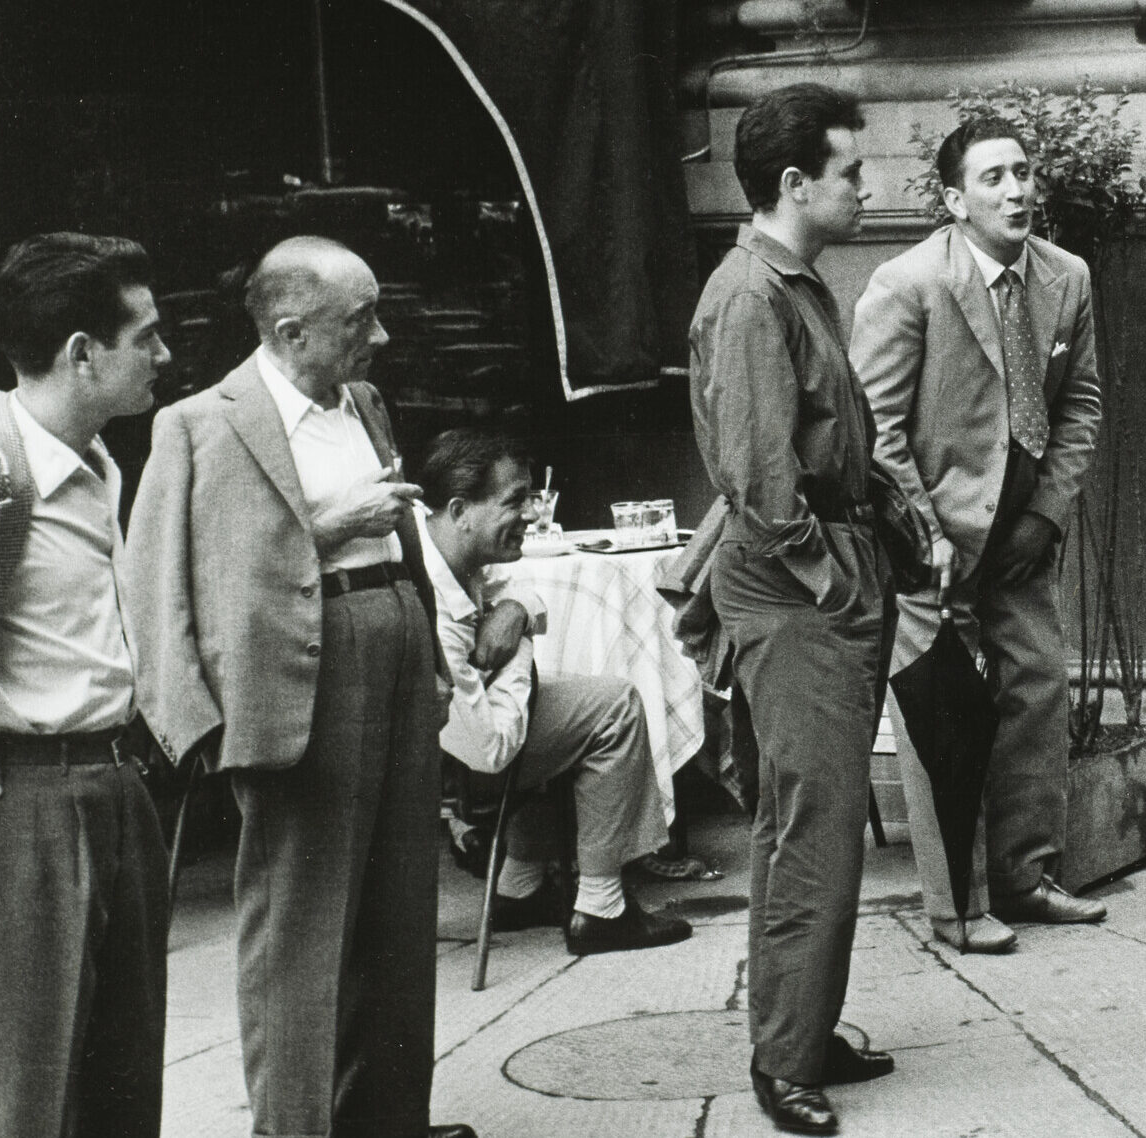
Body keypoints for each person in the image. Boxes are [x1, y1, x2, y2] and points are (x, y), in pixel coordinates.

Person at [123, 236, 477, 1137]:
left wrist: (433, 655)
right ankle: (294, 1127)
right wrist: (189, 724)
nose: (383, 336)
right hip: (296, 677)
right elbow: (157, 582)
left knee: (399, 916)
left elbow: (403, 540)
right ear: (289, 330)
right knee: (299, 932)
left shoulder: (362, 400)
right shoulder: (202, 422)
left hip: (393, 648)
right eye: (360, 320)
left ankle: (388, 1119)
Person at [688, 81, 896, 1135]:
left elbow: (828, 436)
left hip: (826, 572)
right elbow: (765, 484)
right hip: (800, 584)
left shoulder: (789, 283)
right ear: (792, 182)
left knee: (807, 820)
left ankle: (800, 1029)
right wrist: (835, 576)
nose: (868, 187)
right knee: (814, 827)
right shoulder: (749, 298)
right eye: (852, 172)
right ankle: (786, 1060)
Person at [852, 119, 1109, 955]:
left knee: (1036, 690)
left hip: (1022, 532)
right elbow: (876, 429)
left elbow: (1081, 405)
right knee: (944, 720)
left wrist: (1045, 514)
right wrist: (924, 536)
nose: (1016, 190)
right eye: (993, 178)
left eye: (1024, 172)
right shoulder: (908, 283)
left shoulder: (1066, 279)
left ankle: (1026, 878)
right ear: (956, 201)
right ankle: (956, 908)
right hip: (930, 541)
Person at [0, 233, 170, 1138]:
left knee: (122, 1086)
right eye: (146, 337)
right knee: (24, 1088)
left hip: (116, 785)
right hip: (29, 804)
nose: (164, 356)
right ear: (82, 353)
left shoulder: (92, 458)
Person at [411, 427, 693, 954]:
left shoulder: (446, 549)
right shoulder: (437, 605)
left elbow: (517, 590)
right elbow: (490, 752)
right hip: (455, 769)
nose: (532, 515)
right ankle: (602, 907)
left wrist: (514, 612)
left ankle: (520, 885)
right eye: (514, 501)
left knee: (565, 705)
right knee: (615, 707)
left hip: (463, 737)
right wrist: (517, 649)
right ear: (459, 510)